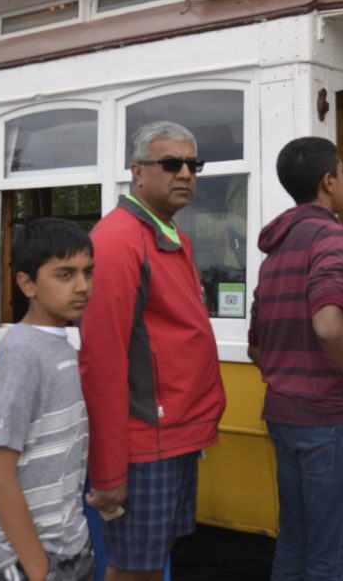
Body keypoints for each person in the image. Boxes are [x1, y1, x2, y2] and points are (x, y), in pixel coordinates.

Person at [79, 121, 226, 580]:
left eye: (193, 164)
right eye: (170, 163)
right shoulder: (119, 240)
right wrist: (108, 471)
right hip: (146, 440)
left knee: (153, 560)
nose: (185, 173)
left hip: (174, 434)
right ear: (137, 172)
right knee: (134, 569)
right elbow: (101, 360)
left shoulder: (167, 234)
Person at [248, 137, 343, 580]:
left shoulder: (275, 250)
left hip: (283, 416)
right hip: (328, 419)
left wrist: (291, 375)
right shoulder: (331, 237)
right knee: (331, 554)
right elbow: (328, 325)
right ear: (329, 181)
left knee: (293, 545)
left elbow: (256, 346)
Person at [0, 218, 95, 581]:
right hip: (24, 560)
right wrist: (38, 568)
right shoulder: (21, 353)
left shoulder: (58, 344)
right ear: (27, 284)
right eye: (65, 274)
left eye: (88, 272)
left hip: (67, 544)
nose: (82, 286)